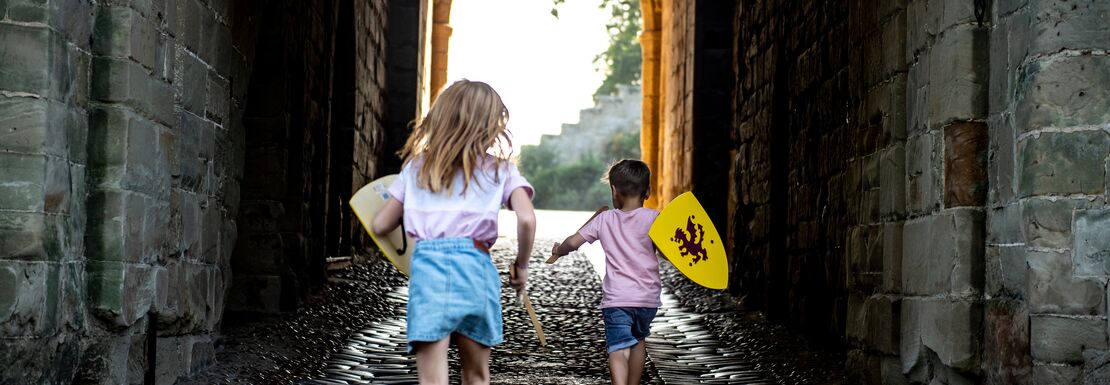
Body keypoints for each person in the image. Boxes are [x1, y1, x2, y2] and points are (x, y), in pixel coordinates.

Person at [371, 79, 535, 385]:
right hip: (476, 271)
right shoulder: (502, 170)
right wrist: (521, 266)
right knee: (476, 375)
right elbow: (526, 219)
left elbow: (381, 224)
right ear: (491, 124)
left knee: (432, 380)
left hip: (429, 274)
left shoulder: (416, 168)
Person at [549, 159, 661, 385]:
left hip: (618, 299)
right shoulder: (656, 220)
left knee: (618, 347)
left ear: (614, 190)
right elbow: (671, 251)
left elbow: (573, 242)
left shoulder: (604, 219)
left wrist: (559, 250)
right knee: (639, 341)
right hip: (647, 299)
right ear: (648, 192)